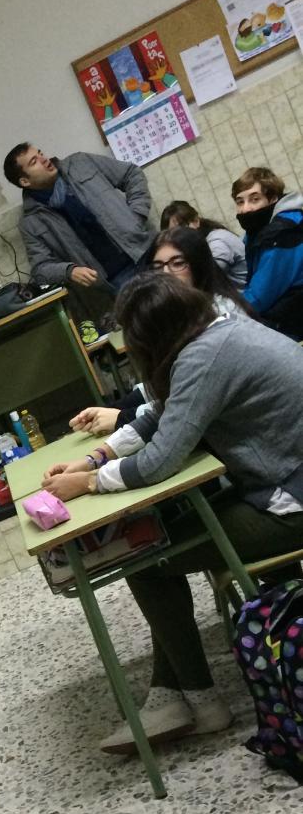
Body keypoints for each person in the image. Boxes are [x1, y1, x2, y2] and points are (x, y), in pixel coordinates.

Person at [43, 273, 303, 755]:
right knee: (162, 537)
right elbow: (163, 412)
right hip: (280, 484)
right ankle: (171, 694)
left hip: (290, 503)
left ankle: (200, 701)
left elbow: (161, 459)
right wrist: (94, 458)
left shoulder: (204, 357)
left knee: (150, 558)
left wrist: (89, 482)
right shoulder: (218, 329)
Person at [70, 226, 251, 438]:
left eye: (177, 263)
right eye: (158, 266)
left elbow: (193, 403)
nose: (165, 274)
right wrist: (115, 407)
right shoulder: (182, 316)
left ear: (199, 265)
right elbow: (173, 383)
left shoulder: (220, 316)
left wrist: (122, 416)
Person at [2, 143, 154, 295]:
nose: (43, 159)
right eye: (34, 162)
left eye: (40, 153)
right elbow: (40, 268)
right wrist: (69, 271)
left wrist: (136, 215)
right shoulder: (30, 221)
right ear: (25, 182)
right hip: (117, 279)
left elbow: (131, 174)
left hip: (146, 249)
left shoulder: (80, 163)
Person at [232, 165, 303, 339]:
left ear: (272, 199)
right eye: (240, 201)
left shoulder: (283, 233)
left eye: (254, 199)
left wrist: (224, 317)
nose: (245, 209)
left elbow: (258, 298)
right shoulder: (258, 232)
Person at [159, 199, 247, 288]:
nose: (179, 236)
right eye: (173, 233)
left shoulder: (217, 242)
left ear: (196, 221)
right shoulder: (198, 246)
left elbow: (205, 281)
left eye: (182, 228)